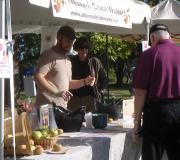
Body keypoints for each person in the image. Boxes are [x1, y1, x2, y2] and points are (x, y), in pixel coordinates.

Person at [132, 23, 180, 160]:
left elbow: (140, 92)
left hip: (157, 112)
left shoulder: (149, 54)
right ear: (169, 36)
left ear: (152, 37)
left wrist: (137, 123)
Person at [34, 26, 95, 110]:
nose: (69, 45)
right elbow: (38, 76)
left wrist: (84, 81)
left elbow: (68, 84)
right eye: (67, 41)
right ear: (59, 38)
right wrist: (56, 92)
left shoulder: (68, 60)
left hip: (62, 108)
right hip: (47, 108)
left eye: (71, 42)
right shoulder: (48, 55)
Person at [68, 36, 107, 113]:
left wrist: (99, 91)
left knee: (90, 122)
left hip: (90, 98)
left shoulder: (94, 62)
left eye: (86, 47)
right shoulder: (71, 61)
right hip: (74, 98)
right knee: (73, 121)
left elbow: (104, 78)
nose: (84, 50)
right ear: (77, 48)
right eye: (81, 47)